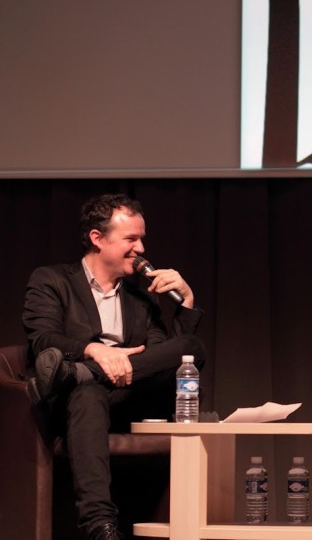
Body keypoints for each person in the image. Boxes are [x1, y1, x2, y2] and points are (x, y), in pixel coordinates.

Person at [23, 193, 205, 540]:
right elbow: (43, 339)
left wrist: (187, 303)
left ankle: (79, 373)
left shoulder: (142, 296)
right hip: (77, 403)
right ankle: (100, 526)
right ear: (97, 238)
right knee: (87, 391)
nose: (141, 248)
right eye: (131, 239)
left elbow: (163, 359)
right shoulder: (52, 280)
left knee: (191, 348)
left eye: (141, 239)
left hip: (129, 396)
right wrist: (94, 350)